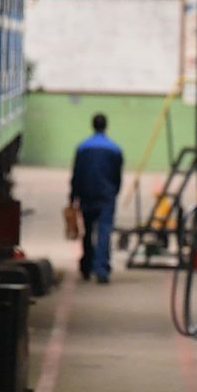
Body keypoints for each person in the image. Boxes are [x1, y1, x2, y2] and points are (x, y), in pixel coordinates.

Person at [70, 114, 123, 283]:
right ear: (106, 126)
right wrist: (114, 191)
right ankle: (101, 269)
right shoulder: (114, 149)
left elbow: (76, 174)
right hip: (106, 195)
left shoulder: (82, 148)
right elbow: (117, 176)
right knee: (104, 231)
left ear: (92, 126)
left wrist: (73, 195)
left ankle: (86, 266)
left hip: (86, 195)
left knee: (87, 231)